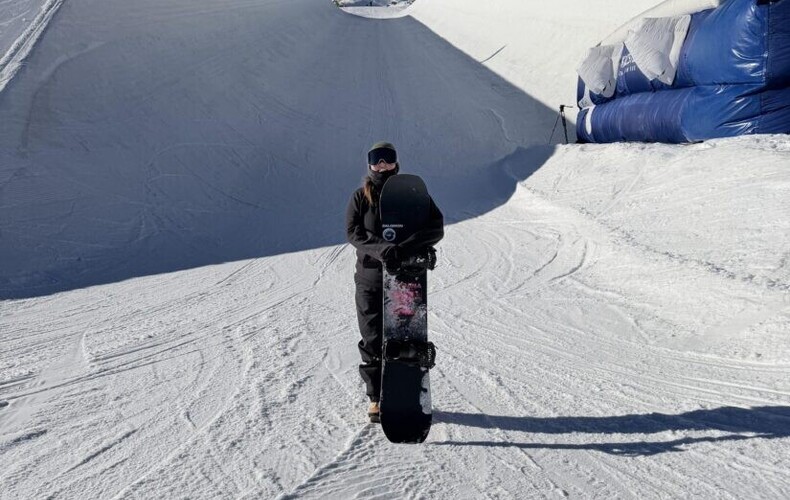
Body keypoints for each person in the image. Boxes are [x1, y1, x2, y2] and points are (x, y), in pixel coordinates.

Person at [345, 141, 444, 422]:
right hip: (371, 277)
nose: (382, 166)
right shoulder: (360, 197)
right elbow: (353, 233)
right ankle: (375, 397)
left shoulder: (413, 194)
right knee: (373, 337)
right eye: (377, 161)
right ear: (369, 165)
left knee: (405, 336)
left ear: (396, 162)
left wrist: (408, 249)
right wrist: (384, 250)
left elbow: (435, 225)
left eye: (387, 160)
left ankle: (408, 392)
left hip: (404, 279)